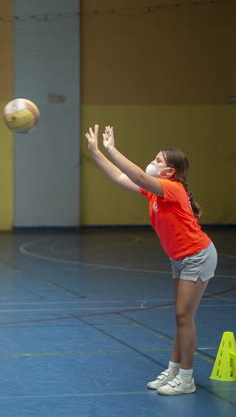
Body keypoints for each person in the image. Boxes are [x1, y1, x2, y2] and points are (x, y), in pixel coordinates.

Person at [85, 124, 217, 396]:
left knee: (184, 317)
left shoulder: (172, 188)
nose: (152, 162)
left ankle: (187, 378)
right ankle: (173, 370)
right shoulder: (157, 191)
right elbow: (122, 177)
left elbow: (137, 176)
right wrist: (96, 152)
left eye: (158, 160)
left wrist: (112, 149)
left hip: (197, 256)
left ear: (170, 171)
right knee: (180, 317)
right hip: (180, 258)